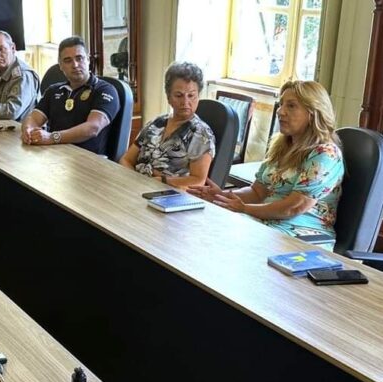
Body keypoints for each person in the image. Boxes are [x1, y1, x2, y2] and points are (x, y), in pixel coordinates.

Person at [188, 80, 344, 246]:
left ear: (313, 113)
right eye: (281, 104)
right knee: (201, 225)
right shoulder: (281, 146)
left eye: (291, 106)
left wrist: (244, 208)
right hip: (266, 226)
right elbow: (257, 192)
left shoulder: (325, 154)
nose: (280, 111)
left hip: (299, 237)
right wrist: (222, 196)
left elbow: (293, 207)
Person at [119, 61, 215, 187]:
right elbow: (126, 160)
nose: (185, 102)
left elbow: (198, 181)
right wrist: (134, 183)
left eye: (191, 95)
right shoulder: (156, 123)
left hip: (169, 193)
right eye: (179, 95)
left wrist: (162, 181)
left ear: (198, 96)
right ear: (168, 97)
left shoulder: (200, 134)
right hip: (136, 187)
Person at [21, 36, 120, 156]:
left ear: (88, 60)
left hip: (88, 160)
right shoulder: (53, 91)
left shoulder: (105, 90)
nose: (75, 65)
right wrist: (28, 130)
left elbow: (92, 128)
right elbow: (33, 118)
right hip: (54, 156)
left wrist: (52, 137)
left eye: (79, 58)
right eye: (68, 60)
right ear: (60, 66)